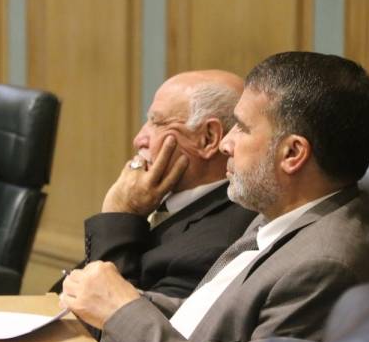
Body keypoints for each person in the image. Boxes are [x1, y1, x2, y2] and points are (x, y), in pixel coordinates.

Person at [60, 52, 369, 342]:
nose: (226, 144)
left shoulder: (323, 267)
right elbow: (208, 322)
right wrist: (119, 297)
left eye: (242, 129)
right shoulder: (282, 215)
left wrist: (121, 312)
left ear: (292, 153)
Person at [52, 70, 256, 298]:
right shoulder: (157, 199)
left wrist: (119, 213)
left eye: (157, 122)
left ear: (208, 138)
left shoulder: (215, 244)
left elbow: (108, 314)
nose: (138, 139)